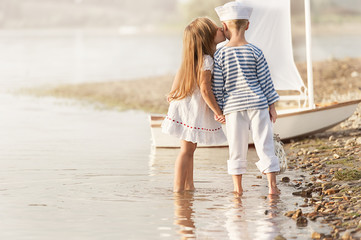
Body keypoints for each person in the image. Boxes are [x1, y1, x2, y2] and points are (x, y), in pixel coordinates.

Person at [213, 1, 281, 195]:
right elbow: (266, 81)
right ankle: (272, 187)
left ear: (224, 27)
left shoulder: (220, 54)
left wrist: (219, 109)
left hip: (233, 108)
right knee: (265, 144)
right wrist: (272, 106)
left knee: (236, 147)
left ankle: (238, 189)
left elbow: (217, 85)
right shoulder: (256, 51)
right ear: (248, 25)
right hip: (258, 104)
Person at [162, 17, 227, 193]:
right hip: (192, 107)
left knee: (189, 148)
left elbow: (179, 74)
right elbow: (205, 90)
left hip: (185, 104)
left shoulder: (194, 58)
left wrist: (173, 92)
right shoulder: (207, 60)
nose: (222, 28)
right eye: (216, 29)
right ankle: (178, 189)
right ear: (208, 37)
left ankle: (188, 186)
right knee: (186, 150)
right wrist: (218, 112)